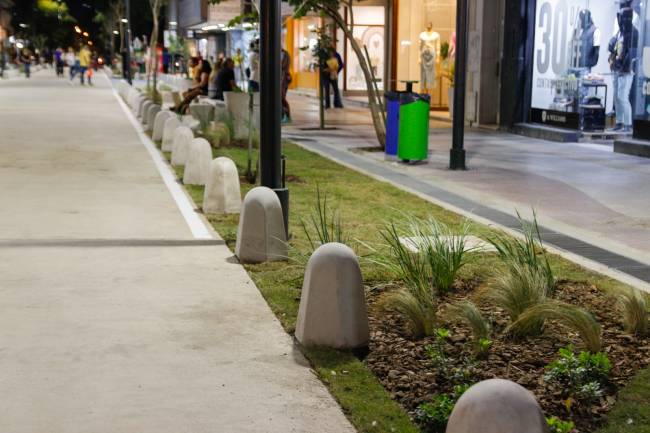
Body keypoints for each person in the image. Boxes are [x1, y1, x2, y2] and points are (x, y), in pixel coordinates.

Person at [609, 8, 638, 133]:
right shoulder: (620, 32)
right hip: (616, 69)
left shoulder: (633, 32)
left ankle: (628, 124)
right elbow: (615, 49)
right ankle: (620, 122)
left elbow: (631, 54)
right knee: (616, 97)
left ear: (627, 18)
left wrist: (623, 68)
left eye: (621, 17)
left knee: (623, 97)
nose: (620, 20)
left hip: (626, 71)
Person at [281, 48, 292, 123]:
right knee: (281, 98)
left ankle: (287, 116)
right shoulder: (283, 54)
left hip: (283, 79)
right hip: (281, 78)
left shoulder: (285, 54)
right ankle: (284, 116)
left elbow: (284, 66)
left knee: (282, 98)